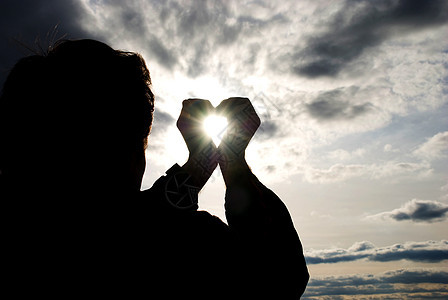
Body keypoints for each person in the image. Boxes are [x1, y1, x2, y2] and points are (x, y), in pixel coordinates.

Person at [1, 39, 308, 299]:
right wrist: (233, 161)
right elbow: (281, 278)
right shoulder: (185, 251)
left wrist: (199, 163)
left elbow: (142, 216)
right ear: (132, 154)